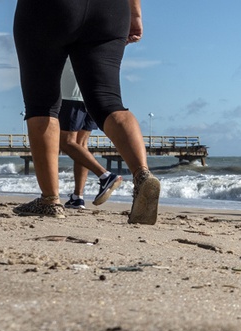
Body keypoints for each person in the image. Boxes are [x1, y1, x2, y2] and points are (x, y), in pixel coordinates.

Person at [13, 0, 160, 224]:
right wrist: (135, 14)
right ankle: (142, 175)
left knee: (42, 105)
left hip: (51, 9)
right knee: (109, 102)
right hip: (111, 10)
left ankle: (50, 201)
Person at [59, 60, 122, 209]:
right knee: (81, 145)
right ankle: (77, 197)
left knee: (66, 142)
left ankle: (105, 176)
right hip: (92, 93)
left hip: (71, 91)